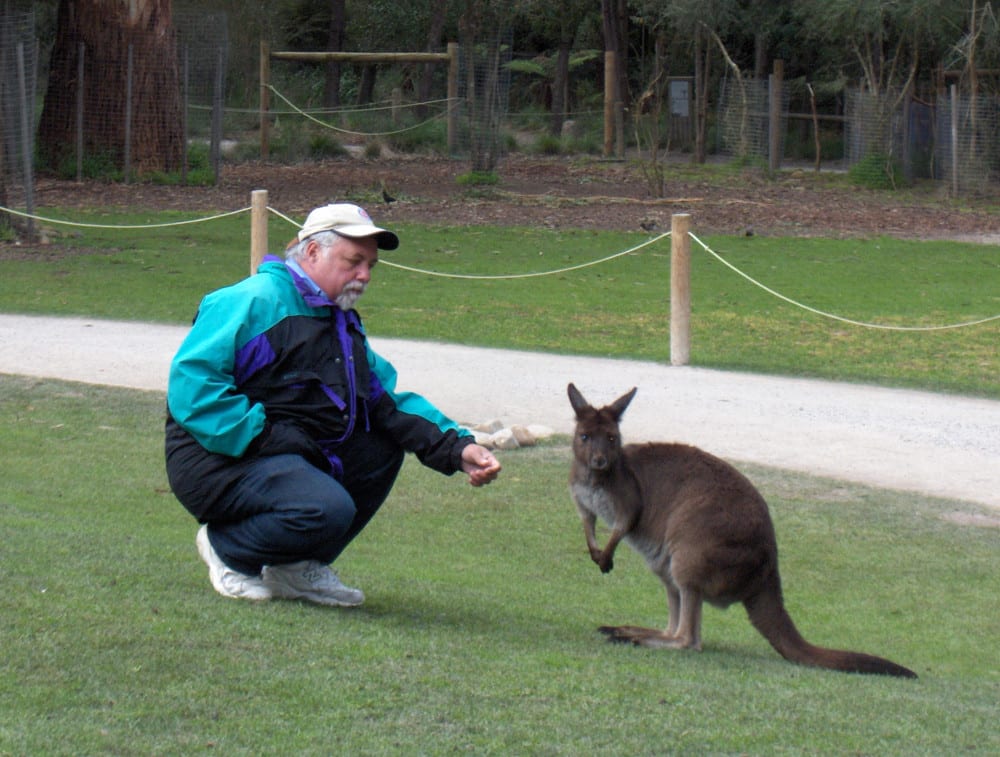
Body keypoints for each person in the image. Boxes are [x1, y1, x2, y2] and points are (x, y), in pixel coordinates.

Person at [165, 202, 501, 605]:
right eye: (354, 261)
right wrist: (265, 436)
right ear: (312, 252)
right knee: (326, 507)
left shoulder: (338, 320)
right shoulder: (253, 301)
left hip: (286, 453)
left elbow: (386, 400)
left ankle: (296, 567)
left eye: (370, 265)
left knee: (381, 446)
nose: (364, 275)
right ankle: (230, 550)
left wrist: (456, 446)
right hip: (214, 458)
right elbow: (193, 387)